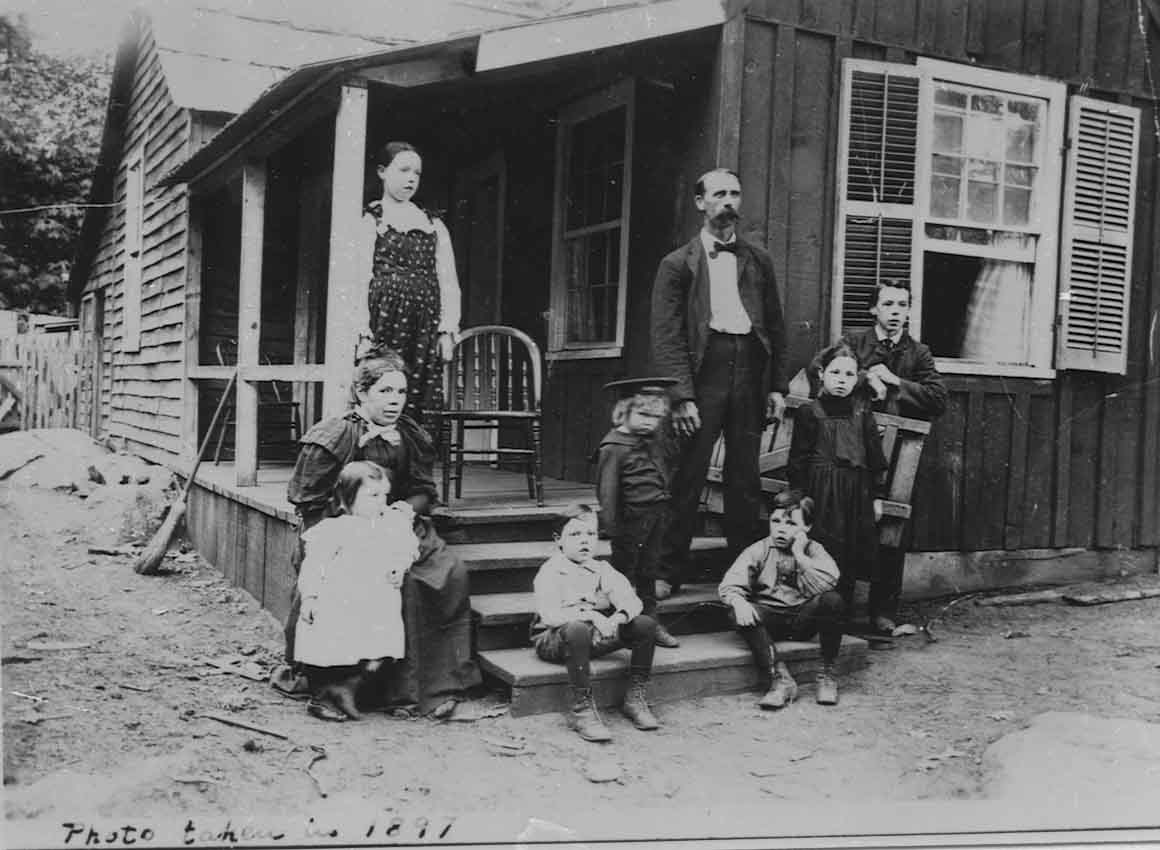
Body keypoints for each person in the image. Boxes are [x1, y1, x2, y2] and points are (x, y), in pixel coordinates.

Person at [279, 352, 481, 718]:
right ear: (361, 393)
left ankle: (429, 686)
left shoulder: (409, 433)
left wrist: (405, 510)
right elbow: (310, 503)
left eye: (401, 392)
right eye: (385, 390)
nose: (394, 400)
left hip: (397, 524)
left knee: (446, 573)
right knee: (359, 582)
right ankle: (340, 687)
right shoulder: (336, 433)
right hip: (341, 528)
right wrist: (350, 528)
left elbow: (423, 489)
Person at [650, 167, 789, 596]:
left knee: (744, 478)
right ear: (700, 203)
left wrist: (776, 387)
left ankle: (743, 574)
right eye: (719, 194)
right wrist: (682, 395)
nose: (728, 202)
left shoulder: (758, 260)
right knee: (687, 473)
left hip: (748, 366)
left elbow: (777, 327)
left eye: (735, 194)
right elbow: (667, 334)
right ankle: (667, 570)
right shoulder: (677, 265)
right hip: (702, 372)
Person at [810, 280, 947, 635]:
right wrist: (865, 377)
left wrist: (895, 381)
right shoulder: (853, 342)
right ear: (874, 309)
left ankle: (883, 611)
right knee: (842, 526)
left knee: (892, 530)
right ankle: (836, 607)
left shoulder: (918, 353)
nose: (896, 312)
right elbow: (819, 370)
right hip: (852, 450)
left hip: (899, 456)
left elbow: (938, 399)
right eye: (888, 304)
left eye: (902, 305)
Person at [294, 461, 418, 721]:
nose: (381, 502)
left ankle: (349, 690)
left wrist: (400, 566)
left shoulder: (392, 524)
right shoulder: (334, 530)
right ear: (348, 498)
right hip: (341, 602)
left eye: (385, 495)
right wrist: (311, 598)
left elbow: (407, 547)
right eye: (372, 496)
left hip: (377, 603)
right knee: (335, 648)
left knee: (378, 652)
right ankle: (324, 698)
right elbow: (314, 567)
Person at [530, 504, 662, 742]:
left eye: (591, 534)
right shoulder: (550, 571)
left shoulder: (601, 568)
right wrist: (591, 615)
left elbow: (630, 600)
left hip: (591, 636)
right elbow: (550, 616)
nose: (584, 541)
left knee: (644, 625)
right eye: (575, 534)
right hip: (553, 640)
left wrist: (617, 618)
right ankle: (583, 708)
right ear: (558, 540)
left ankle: (634, 698)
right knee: (577, 628)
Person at [353, 141, 461, 420]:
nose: (411, 178)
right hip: (384, 319)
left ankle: (414, 461)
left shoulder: (432, 223)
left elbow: (448, 280)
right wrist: (362, 332)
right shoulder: (372, 220)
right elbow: (359, 277)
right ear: (382, 172)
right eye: (403, 170)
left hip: (424, 322)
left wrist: (447, 330)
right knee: (382, 383)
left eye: (416, 172)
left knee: (419, 392)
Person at [718, 490, 845, 707]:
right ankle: (780, 678)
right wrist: (739, 602)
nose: (781, 529)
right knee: (736, 611)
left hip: (803, 618)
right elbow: (730, 584)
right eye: (776, 521)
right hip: (771, 620)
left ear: (806, 528)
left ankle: (826, 673)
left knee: (833, 600)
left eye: (790, 524)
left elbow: (829, 581)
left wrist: (799, 554)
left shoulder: (814, 550)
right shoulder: (759, 549)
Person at [790, 342, 889, 613]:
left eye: (849, 375)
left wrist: (877, 497)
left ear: (857, 377)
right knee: (822, 546)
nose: (842, 381)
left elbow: (875, 459)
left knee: (851, 550)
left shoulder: (862, 413)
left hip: (855, 493)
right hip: (820, 492)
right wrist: (798, 500)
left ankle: (841, 614)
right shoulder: (810, 412)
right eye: (835, 373)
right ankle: (817, 609)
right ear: (821, 374)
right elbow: (797, 460)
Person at [595, 377, 681, 649]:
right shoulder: (613, 447)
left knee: (649, 571)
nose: (649, 422)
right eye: (643, 414)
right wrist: (611, 528)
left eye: (655, 418)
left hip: (656, 517)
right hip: (630, 522)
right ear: (624, 410)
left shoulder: (651, 440)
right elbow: (607, 492)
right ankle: (622, 628)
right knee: (624, 575)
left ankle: (651, 622)